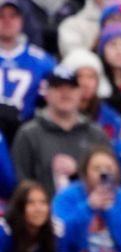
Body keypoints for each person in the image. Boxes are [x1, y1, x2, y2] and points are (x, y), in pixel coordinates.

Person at [13, 66, 112, 198]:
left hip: (92, 212)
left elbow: (110, 179)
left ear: (80, 93)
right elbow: (20, 184)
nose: (65, 94)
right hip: (43, 214)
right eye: (58, 88)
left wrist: (79, 169)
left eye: (71, 88)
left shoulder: (96, 134)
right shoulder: (28, 134)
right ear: (46, 93)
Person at [0, 0, 55, 144]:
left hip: (25, 133)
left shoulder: (42, 61)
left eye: (13, 16)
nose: (7, 21)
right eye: (1, 16)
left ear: (22, 21)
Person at [0, 180, 60, 252]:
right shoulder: (4, 232)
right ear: (19, 208)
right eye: (30, 203)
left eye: (43, 202)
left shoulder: (54, 232)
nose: (38, 209)